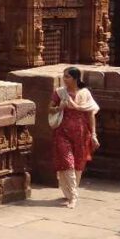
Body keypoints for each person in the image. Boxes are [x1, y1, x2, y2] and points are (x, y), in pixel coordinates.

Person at [50, 66, 100, 208]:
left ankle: (70, 192)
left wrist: (94, 135)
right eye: (64, 76)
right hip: (62, 132)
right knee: (67, 162)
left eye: (67, 76)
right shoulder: (59, 93)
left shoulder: (85, 94)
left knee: (78, 164)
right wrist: (60, 107)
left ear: (75, 78)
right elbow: (50, 109)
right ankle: (73, 197)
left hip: (81, 133)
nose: (64, 79)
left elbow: (90, 115)